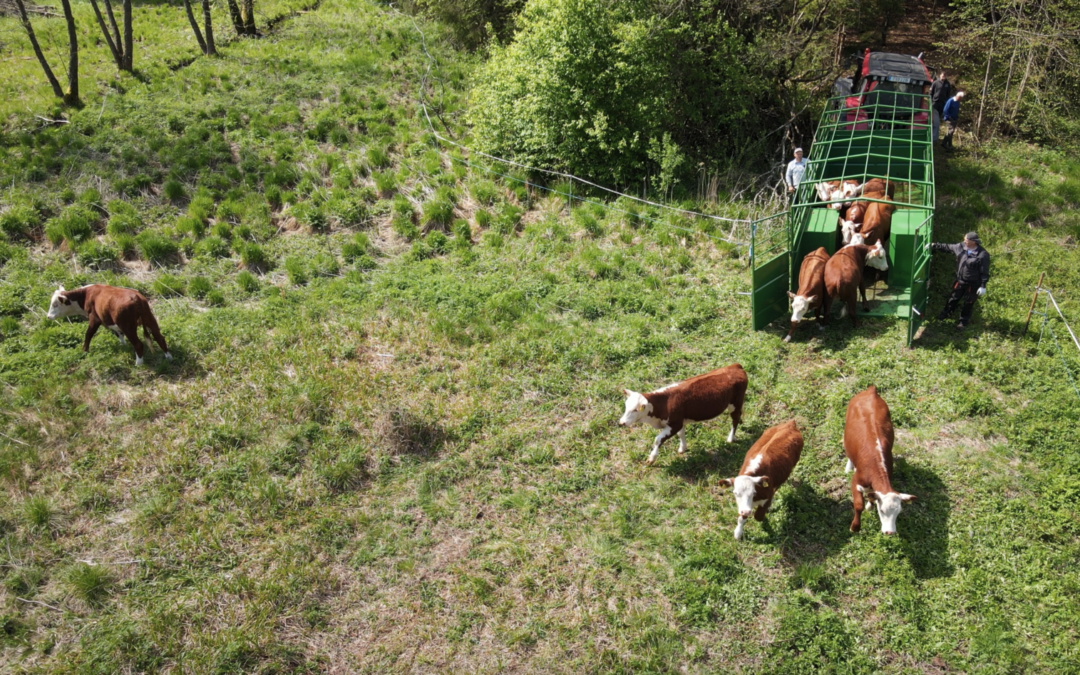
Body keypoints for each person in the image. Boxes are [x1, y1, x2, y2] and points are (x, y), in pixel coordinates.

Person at [933, 232, 990, 330]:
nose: (964, 241)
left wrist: (983, 285)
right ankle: (944, 315)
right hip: (960, 281)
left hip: (973, 284)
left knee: (968, 303)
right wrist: (934, 245)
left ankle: (963, 322)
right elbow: (948, 247)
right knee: (953, 298)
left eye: (966, 240)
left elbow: (984, 271)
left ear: (973, 242)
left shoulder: (982, 255)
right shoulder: (961, 247)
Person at [929, 70, 953, 144]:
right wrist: (931, 101)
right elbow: (931, 93)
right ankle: (930, 132)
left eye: (945, 76)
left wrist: (946, 102)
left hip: (942, 103)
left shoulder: (947, 84)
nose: (943, 77)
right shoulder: (935, 82)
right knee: (932, 117)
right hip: (935, 102)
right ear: (940, 75)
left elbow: (948, 94)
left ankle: (935, 135)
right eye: (943, 76)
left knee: (937, 118)